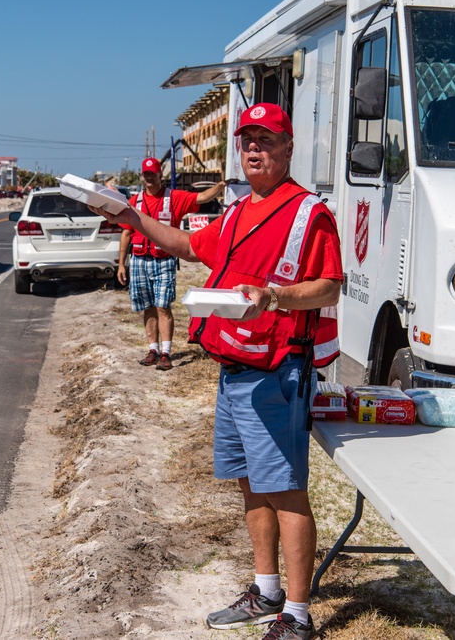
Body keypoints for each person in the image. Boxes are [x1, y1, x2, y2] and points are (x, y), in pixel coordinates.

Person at [90, 102, 343, 640]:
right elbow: (186, 244)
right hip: (233, 370)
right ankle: (266, 590)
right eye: (247, 140)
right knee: (251, 484)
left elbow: (329, 287)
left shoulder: (308, 213)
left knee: (286, 490)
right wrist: (131, 218)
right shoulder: (235, 210)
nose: (254, 149)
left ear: (288, 147)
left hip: (276, 373)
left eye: (266, 140)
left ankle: (297, 617)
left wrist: (274, 297)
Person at [117, 157, 224, 372]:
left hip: (164, 260)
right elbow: (126, 233)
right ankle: (152, 349)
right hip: (139, 260)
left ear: (160, 175)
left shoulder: (173, 198)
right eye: (146, 174)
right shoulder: (135, 201)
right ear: (142, 175)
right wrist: (121, 264)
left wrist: (220, 187)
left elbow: (201, 197)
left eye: (153, 173)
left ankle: (166, 352)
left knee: (163, 306)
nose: (149, 177)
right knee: (147, 307)